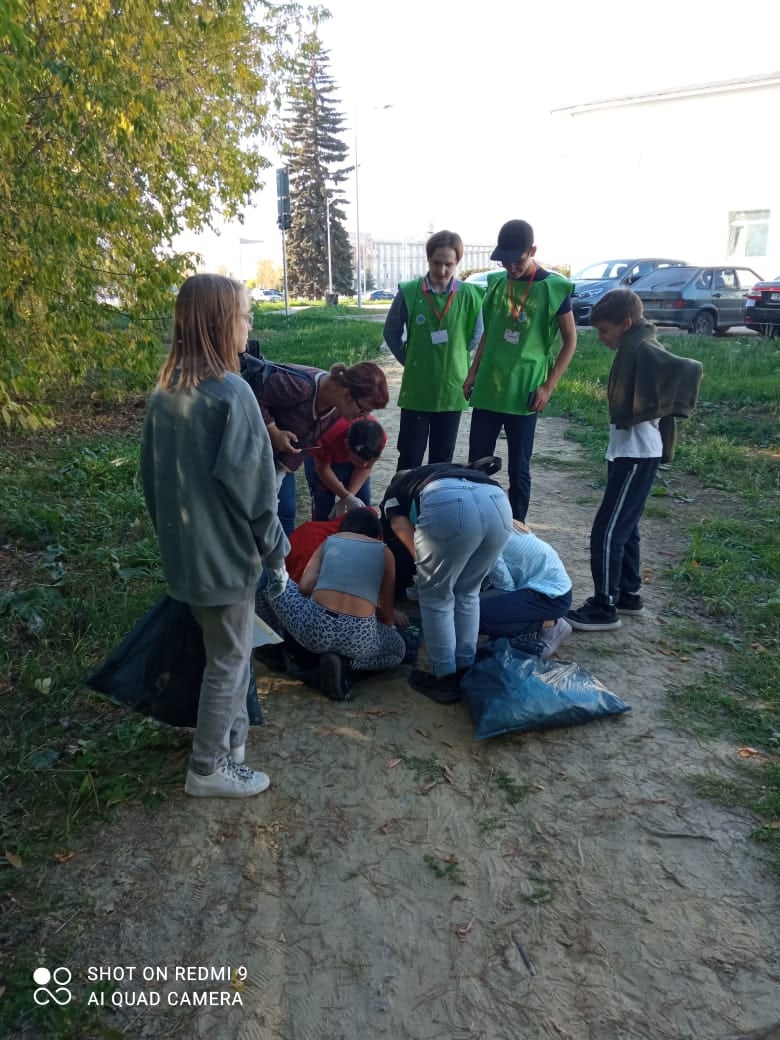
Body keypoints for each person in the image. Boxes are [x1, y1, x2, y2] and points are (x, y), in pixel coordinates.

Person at [140, 274, 289, 798]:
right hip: (226, 559)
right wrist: (277, 552)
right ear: (221, 323)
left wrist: (172, 541)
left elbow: (150, 479)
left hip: (187, 557)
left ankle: (233, 740)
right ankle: (207, 767)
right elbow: (256, 492)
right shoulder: (232, 394)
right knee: (229, 659)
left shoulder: (165, 394)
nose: (250, 324)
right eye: (245, 315)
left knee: (226, 649)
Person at [566, 289, 702, 631]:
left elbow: (688, 370)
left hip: (637, 453)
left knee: (607, 531)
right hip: (628, 451)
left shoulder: (643, 347)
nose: (601, 337)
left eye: (604, 331)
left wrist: (668, 407)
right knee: (626, 528)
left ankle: (604, 606)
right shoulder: (634, 345)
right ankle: (628, 594)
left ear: (626, 324)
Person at [464, 220, 577, 521]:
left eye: (517, 260)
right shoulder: (497, 284)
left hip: (525, 391)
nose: (511, 267)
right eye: (505, 261)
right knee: (477, 463)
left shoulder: (554, 288)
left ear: (533, 251)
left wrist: (548, 386)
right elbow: (489, 333)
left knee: (519, 467)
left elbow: (570, 341)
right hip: (489, 386)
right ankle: (479, 522)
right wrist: (473, 372)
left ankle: (517, 527)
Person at [381, 462, 513, 703]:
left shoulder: (395, 491)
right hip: (498, 502)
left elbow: (399, 525)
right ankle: (465, 667)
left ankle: (443, 677)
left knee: (436, 596)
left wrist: (427, 569)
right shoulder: (440, 472)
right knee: (468, 593)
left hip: (450, 505)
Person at [262, 509, 406, 699]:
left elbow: (304, 587)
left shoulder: (330, 541)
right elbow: (387, 619)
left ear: (342, 529)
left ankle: (272, 645)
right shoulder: (385, 553)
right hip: (358, 641)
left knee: (268, 582)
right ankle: (347, 665)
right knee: (398, 651)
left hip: (313, 631)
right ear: (379, 536)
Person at [240, 355, 389, 535]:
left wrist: (280, 472)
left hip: (276, 458)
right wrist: (273, 430)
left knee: (285, 512)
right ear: (346, 394)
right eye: (363, 409)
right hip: (248, 451)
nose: (364, 417)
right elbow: (248, 393)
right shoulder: (302, 388)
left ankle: (286, 554)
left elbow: (306, 441)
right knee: (250, 514)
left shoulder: (336, 409)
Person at [383, 229, 484, 470]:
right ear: (428, 259)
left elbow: (477, 334)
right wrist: (410, 359)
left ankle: (435, 497)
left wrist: (456, 356)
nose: (442, 270)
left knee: (442, 461)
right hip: (417, 391)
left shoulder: (470, 295)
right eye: (437, 263)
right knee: (409, 458)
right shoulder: (409, 292)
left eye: (449, 264)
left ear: (457, 262)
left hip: (451, 391)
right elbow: (391, 332)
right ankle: (405, 497)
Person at [480, 520, 573, 658]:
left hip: (549, 597)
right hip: (540, 587)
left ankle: (550, 624)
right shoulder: (496, 521)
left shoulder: (487, 540)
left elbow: (506, 588)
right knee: (469, 608)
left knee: (470, 617)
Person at [303, 416, 387, 520]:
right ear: (346, 444)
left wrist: (348, 497)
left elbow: (365, 468)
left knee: (363, 508)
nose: (365, 465)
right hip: (321, 460)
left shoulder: (378, 437)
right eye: (359, 461)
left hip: (350, 463)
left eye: (368, 461)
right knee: (323, 509)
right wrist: (346, 496)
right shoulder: (327, 435)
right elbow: (322, 469)